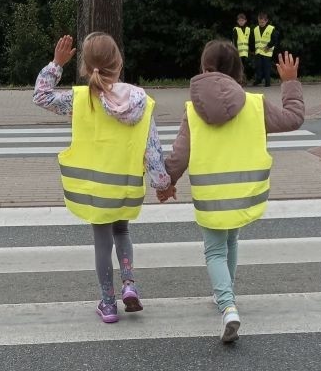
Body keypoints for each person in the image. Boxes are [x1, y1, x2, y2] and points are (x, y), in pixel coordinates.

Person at [159, 40, 303, 343]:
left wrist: (166, 184)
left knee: (214, 250)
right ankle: (227, 293)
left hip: (210, 198)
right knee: (232, 239)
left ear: (203, 69)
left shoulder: (192, 111)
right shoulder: (255, 104)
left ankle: (227, 305)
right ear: (237, 71)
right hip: (244, 193)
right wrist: (289, 83)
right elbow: (293, 119)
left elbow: (179, 157)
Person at [34, 32, 171, 323]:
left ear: (84, 66)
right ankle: (129, 283)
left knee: (101, 243)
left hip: (96, 191)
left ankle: (108, 303)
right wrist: (163, 185)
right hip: (127, 186)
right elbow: (153, 150)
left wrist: (56, 64)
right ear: (119, 63)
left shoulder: (81, 100)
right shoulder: (141, 101)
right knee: (122, 232)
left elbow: (41, 96)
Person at [253, 11, 279, 87]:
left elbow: (275, 39)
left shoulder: (271, 29)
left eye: (262, 22)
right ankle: (258, 80)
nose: (261, 24)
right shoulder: (255, 29)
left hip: (267, 51)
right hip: (258, 51)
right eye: (259, 22)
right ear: (258, 20)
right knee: (258, 66)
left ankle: (267, 82)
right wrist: (253, 50)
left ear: (266, 21)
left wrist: (268, 46)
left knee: (266, 67)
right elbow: (254, 40)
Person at [232, 12, 252, 81]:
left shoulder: (248, 29)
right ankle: (238, 79)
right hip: (238, 51)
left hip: (245, 52)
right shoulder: (236, 29)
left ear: (245, 21)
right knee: (238, 66)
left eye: (242, 20)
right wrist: (235, 50)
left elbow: (249, 40)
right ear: (237, 21)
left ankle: (242, 79)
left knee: (243, 66)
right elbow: (235, 40)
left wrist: (250, 50)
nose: (241, 22)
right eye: (240, 21)